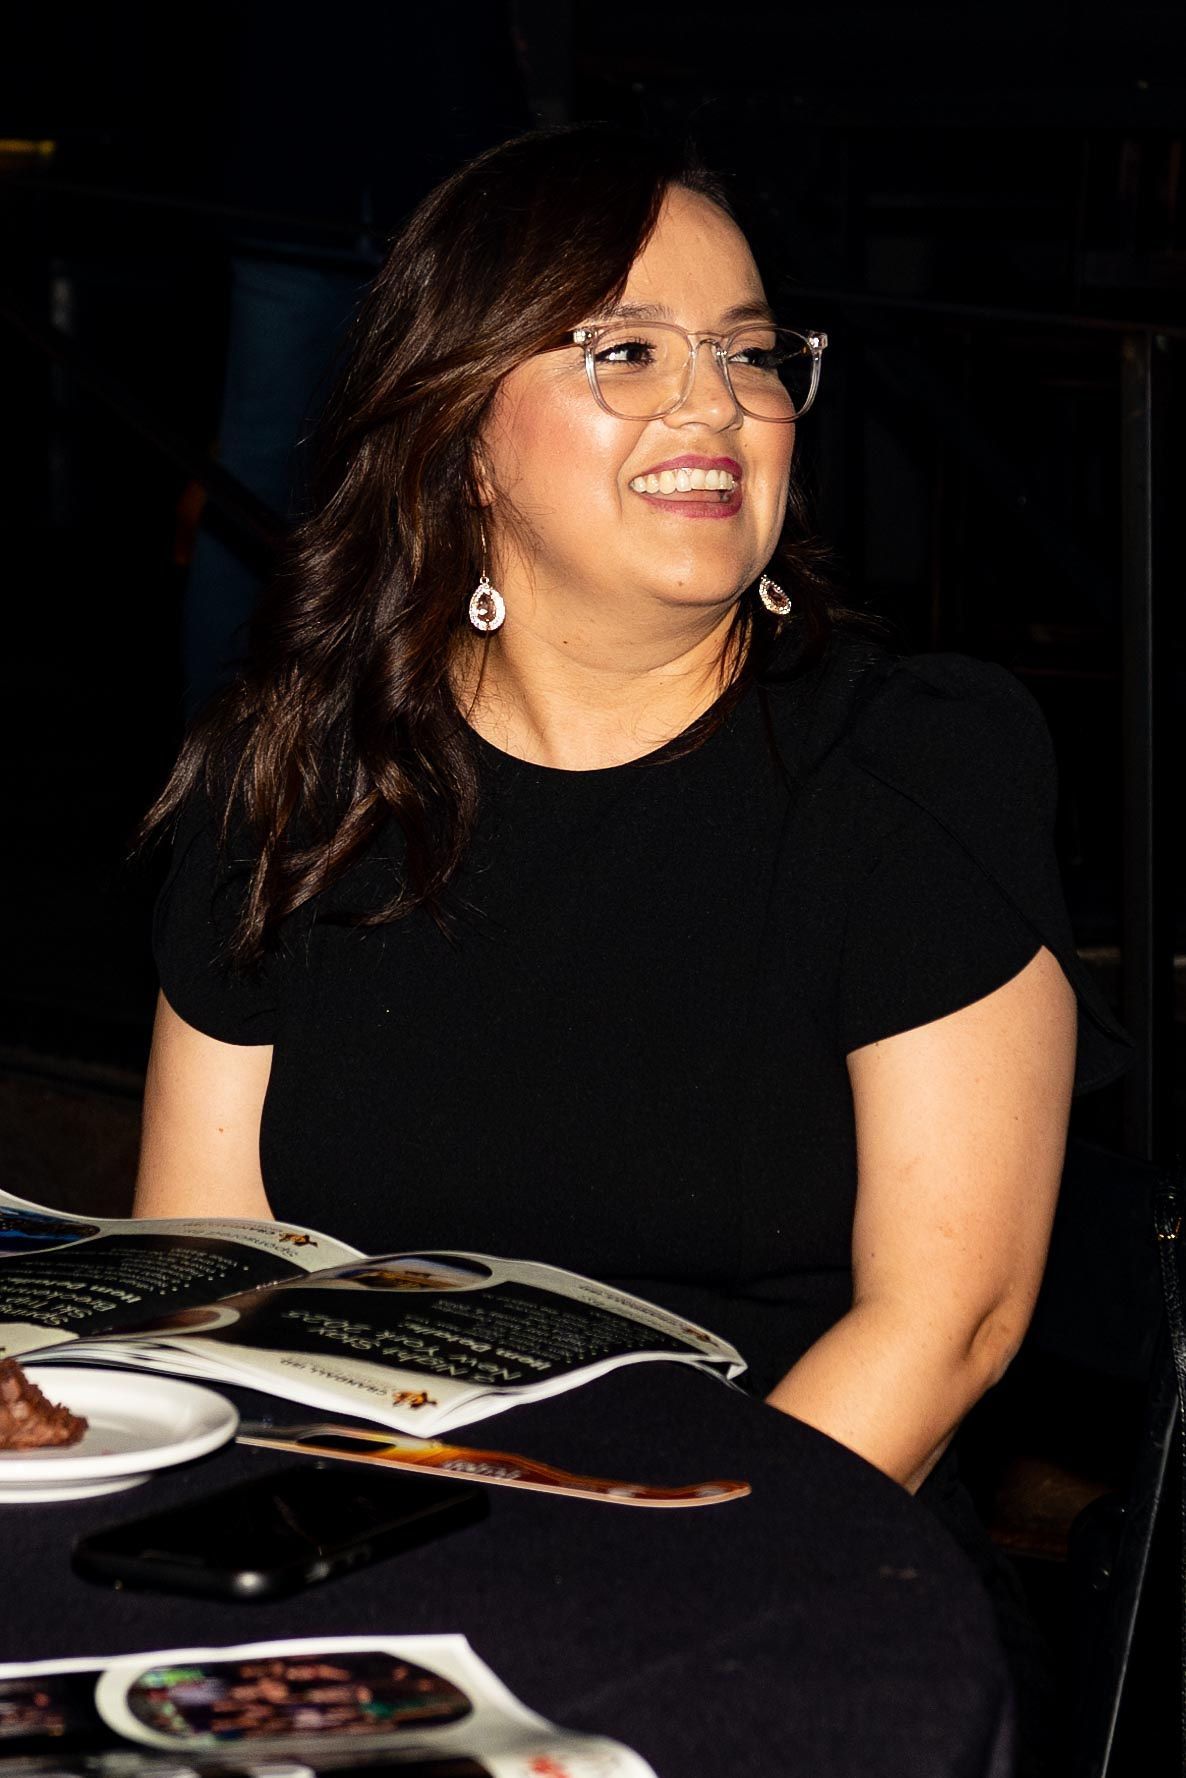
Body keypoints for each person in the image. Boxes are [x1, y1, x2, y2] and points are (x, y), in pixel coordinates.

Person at [135, 123, 1129, 1740]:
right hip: (365, 1560)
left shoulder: (903, 768)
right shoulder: (301, 782)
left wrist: (612, 1602)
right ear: (459, 431)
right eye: (626, 350)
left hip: (779, 1571)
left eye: (750, 353)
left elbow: (946, 1322)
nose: (714, 401)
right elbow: (208, 1276)